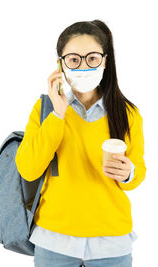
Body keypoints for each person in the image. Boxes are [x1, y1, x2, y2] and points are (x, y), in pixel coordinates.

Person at [15, 19, 146, 267]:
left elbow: (136, 174)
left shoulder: (127, 113)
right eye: (74, 59)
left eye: (92, 58)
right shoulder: (44, 110)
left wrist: (129, 173)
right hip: (54, 241)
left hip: (111, 242)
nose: (83, 66)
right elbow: (28, 169)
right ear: (60, 64)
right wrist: (58, 114)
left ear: (105, 61)